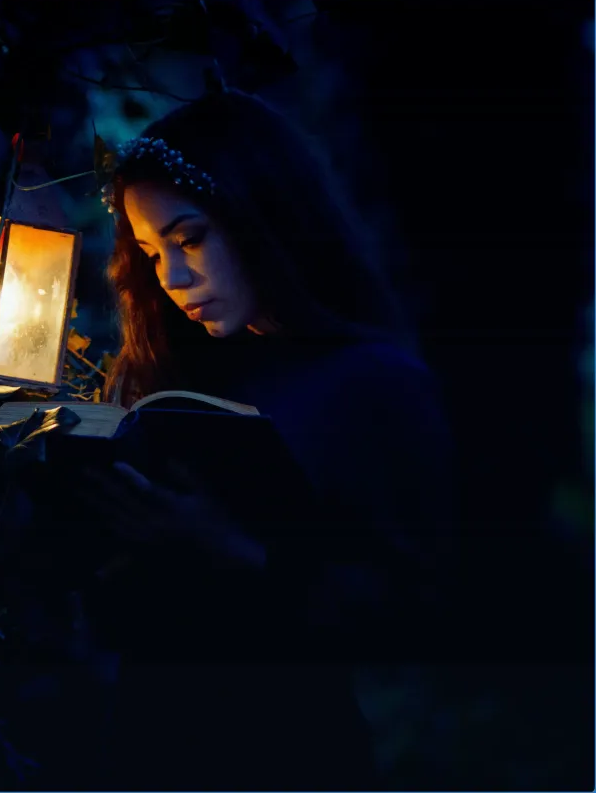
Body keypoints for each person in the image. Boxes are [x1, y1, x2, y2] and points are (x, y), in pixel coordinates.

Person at [79, 89, 456, 790]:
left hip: (286, 751)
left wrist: (239, 554)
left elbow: (416, 608)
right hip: (147, 740)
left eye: (189, 239)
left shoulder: (372, 384)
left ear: (263, 218)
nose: (174, 279)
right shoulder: (176, 376)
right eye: (151, 253)